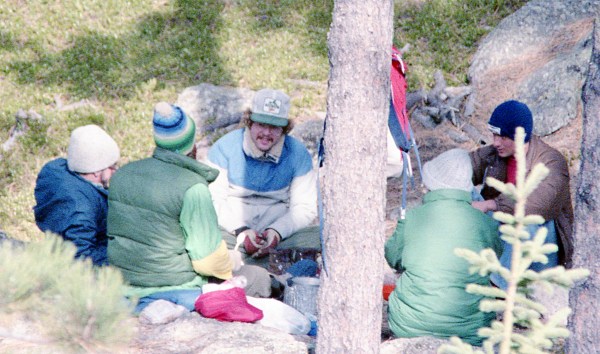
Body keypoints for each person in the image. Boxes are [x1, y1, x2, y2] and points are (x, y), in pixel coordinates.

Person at [107, 102, 271, 313]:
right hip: (176, 290)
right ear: (191, 144)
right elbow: (208, 262)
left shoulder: (122, 175)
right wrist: (233, 260)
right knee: (258, 278)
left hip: (123, 286)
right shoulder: (193, 187)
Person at [385, 148, 502, 346]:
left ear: (433, 183)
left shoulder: (413, 218)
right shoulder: (485, 224)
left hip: (410, 325)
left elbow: (392, 257)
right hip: (472, 332)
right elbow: (494, 260)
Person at [206, 88, 319, 267]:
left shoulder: (297, 153)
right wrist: (242, 231)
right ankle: (266, 268)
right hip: (232, 231)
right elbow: (212, 200)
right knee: (203, 234)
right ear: (249, 122)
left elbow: (305, 207)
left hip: (278, 233)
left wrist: (276, 232)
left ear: (284, 129)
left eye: (274, 127)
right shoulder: (224, 148)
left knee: (320, 236)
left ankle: (253, 266)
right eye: (261, 124)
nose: (266, 133)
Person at [470, 100, 574, 289]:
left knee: (528, 221)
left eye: (503, 137)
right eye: (494, 135)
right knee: (461, 187)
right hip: (503, 237)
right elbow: (466, 166)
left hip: (539, 253)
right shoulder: (496, 154)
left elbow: (539, 203)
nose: (496, 142)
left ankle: (498, 288)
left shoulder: (552, 162)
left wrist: (491, 204)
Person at [34, 124, 120, 266]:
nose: (115, 171)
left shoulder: (57, 174)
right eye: (112, 166)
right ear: (96, 171)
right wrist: (125, 256)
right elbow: (81, 258)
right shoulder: (79, 211)